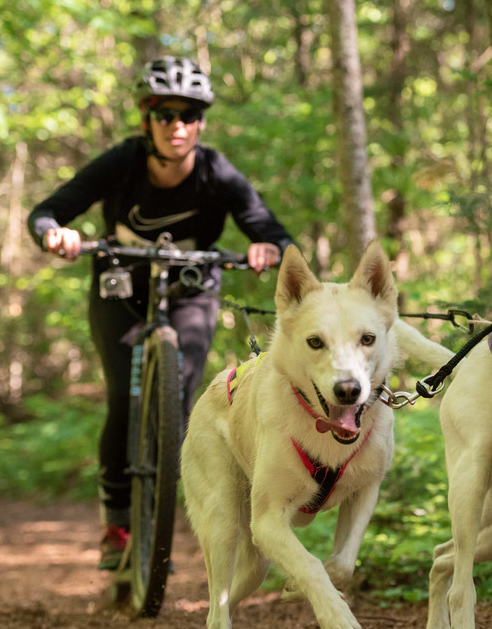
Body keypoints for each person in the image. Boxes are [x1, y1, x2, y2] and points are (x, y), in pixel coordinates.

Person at [28, 56, 297, 569]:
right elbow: (47, 211)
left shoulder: (217, 171)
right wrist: (53, 233)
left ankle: (159, 520)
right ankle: (118, 524)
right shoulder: (122, 162)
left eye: (190, 115)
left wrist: (268, 249)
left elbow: (274, 232)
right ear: (146, 120)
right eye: (166, 114)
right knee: (123, 399)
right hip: (121, 284)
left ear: (201, 122)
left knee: (176, 400)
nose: (179, 126)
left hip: (192, 287)